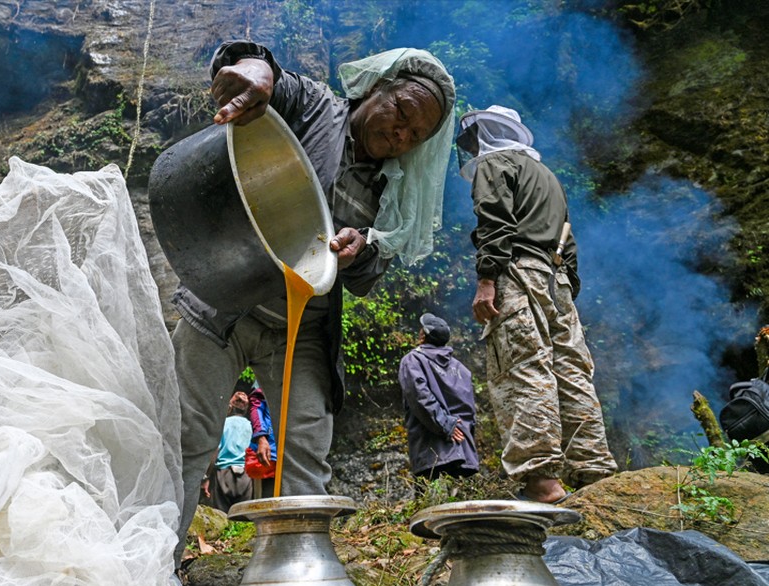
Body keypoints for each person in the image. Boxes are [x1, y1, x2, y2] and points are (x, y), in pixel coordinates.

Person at [171, 41, 456, 554]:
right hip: (224, 304)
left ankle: (295, 571)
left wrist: (363, 245)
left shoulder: (393, 188)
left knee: (305, 451)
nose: (400, 134)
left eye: (416, 135)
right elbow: (265, 75)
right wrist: (253, 70)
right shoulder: (316, 108)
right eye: (402, 113)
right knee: (188, 441)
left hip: (302, 330)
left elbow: (368, 277)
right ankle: (154, 566)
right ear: (377, 88)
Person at [457, 105, 617, 504]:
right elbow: (569, 238)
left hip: (518, 273)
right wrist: (565, 288)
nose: (472, 146)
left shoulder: (493, 164)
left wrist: (487, 278)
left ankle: (542, 482)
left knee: (523, 369)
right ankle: (594, 472)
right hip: (557, 278)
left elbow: (495, 221)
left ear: (487, 133)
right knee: (572, 370)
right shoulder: (547, 175)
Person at [398, 313, 480, 480]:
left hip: (432, 451)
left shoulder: (413, 360)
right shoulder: (461, 369)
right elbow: (469, 410)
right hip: (463, 450)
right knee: (458, 504)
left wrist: (446, 425)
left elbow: (421, 397)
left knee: (429, 502)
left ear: (423, 335)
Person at [202, 391, 253, 513]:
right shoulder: (251, 426)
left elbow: (215, 451)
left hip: (223, 475)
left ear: (230, 406)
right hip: (246, 476)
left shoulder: (223, 424)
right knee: (244, 517)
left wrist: (207, 477)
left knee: (222, 516)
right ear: (246, 409)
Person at [245, 383, 277, 498]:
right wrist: (261, 438)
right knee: (265, 501)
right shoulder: (270, 376)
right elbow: (256, 404)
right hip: (270, 455)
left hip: (290, 455)